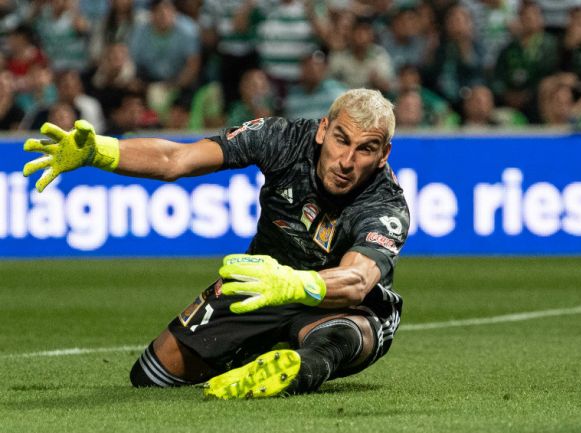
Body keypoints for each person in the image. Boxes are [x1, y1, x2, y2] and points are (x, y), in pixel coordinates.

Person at [21, 88, 409, 399]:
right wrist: (100, 152)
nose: (347, 160)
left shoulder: (385, 204)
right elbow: (177, 158)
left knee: (341, 334)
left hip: (336, 304)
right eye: (342, 140)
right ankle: (259, 354)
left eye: (366, 149)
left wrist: (294, 284)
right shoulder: (281, 139)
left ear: (382, 155)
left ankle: (300, 369)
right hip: (258, 288)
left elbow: (357, 279)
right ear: (323, 130)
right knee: (151, 376)